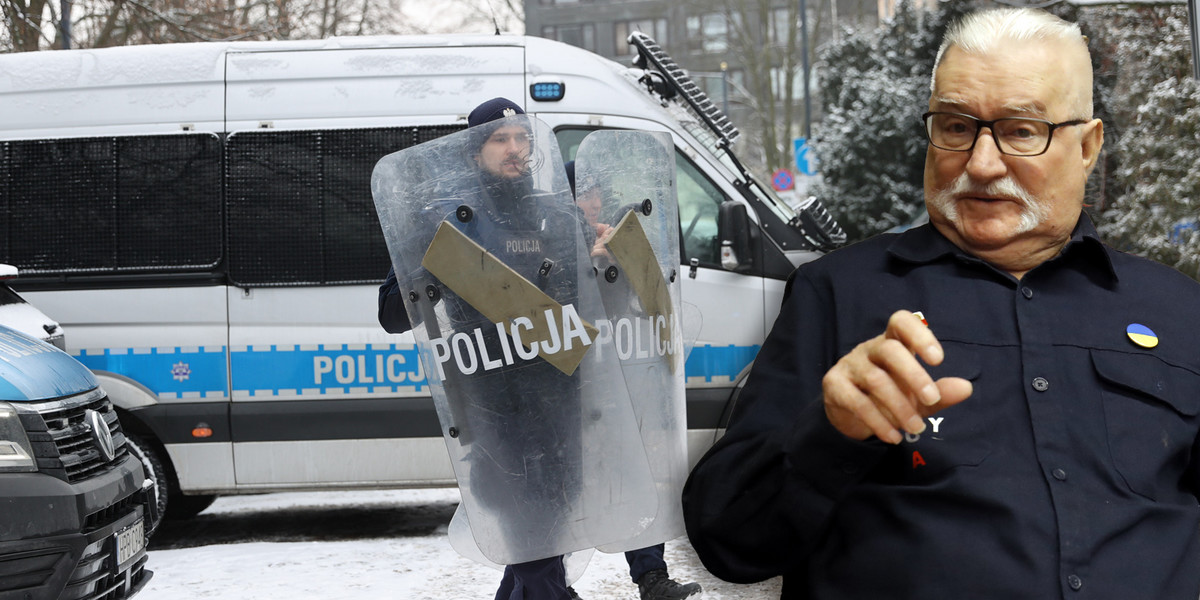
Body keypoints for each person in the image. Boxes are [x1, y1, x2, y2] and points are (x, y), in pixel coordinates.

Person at [682, 8, 1200, 599]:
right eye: (956, 127)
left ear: (1088, 146)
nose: (980, 164)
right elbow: (726, 540)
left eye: (1021, 131)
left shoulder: (1179, 311)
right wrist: (830, 434)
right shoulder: (838, 295)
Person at [379, 97, 583, 600]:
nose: (515, 149)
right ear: (475, 151)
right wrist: (426, 265)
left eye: (522, 139)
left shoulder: (556, 213)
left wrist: (602, 267)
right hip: (494, 400)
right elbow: (391, 313)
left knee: (550, 523)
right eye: (500, 139)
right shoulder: (446, 218)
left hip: (560, 394)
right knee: (526, 523)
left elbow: (588, 304)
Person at [565, 159, 703, 600]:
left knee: (636, 476)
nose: (590, 203)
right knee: (565, 491)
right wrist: (585, 265)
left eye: (595, 194)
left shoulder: (618, 237)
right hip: (567, 387)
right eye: (580, 196)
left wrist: (622, 258)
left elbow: (652, 300)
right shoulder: (547, 247)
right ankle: (548, 583)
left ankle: (652, 578)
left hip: (619, 379)